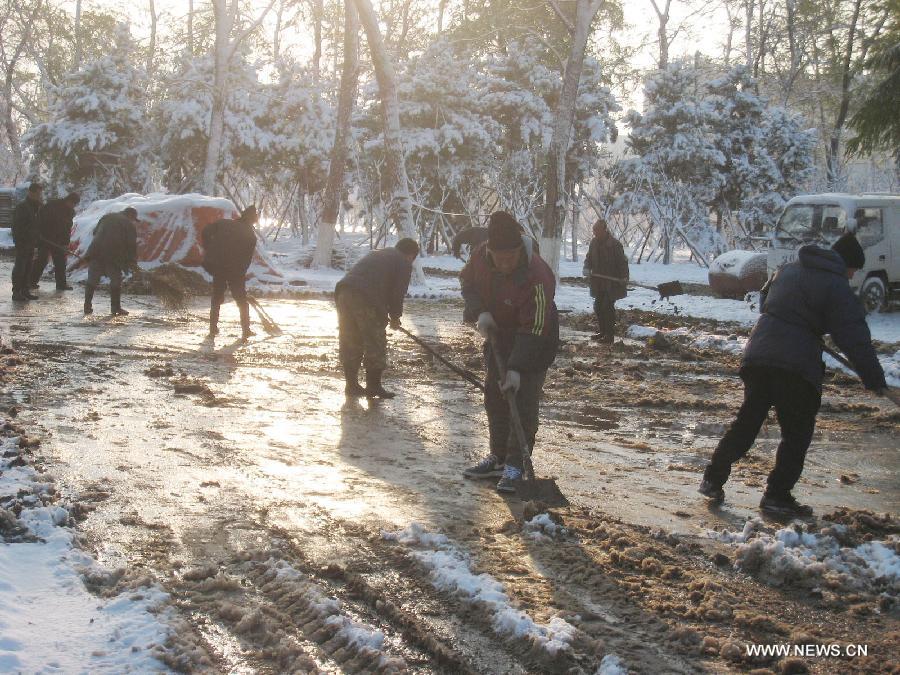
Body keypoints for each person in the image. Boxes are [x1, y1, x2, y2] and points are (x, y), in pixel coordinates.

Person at [698, 233, 889, 517]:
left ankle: (712, 479)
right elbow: (854, 337)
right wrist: (874, 379)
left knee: (747, 422)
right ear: (847, 264)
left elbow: (765, 301)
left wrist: (799, 321)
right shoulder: (836, 285)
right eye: (855, 270)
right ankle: (777, 495)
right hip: (795, 366)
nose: (853, 275)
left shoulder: (787, 270)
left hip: (759, 354)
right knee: (797, 433)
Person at [460, 211, 559, 493]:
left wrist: (517, 367)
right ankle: (499, 458)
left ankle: (516, 464)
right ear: (489, 249)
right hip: (498, 334)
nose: (504, 264)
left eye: (510, 258)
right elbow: (467, 283)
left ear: (520, 250)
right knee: (494, 394)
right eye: (498, 257)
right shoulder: (480, 256)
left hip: (535, 341)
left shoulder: (537, 275)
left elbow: (536, 327)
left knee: (522, 401)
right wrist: (481, 312)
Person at [335, 238, 419, 399]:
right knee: (375, 341)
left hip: (344, 292)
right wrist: (395, 317)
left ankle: (351, 385)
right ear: (411, 255)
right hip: (365, 298)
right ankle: (374, 387)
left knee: (350, 339)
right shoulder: (402, 262)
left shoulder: (380, 254)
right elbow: (397, 293)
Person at [201, 205, 259, 340]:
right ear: (252, 221)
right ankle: (246, 330)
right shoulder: (250, 236)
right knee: (241, 300)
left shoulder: (223, 223)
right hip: (235, 271)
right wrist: (240, 274)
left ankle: (213, 328)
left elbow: (205, 232)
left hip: (218, 266)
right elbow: (246, 259)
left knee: (216, 296)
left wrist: (209, 248)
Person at [84, 207, 139, 316]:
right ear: (131, 216)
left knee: (92, 279)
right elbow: (131, 245)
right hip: (113, 255)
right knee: (116, 280)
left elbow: (95, 233)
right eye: (133, 219)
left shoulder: (106, 217)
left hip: (95, 252)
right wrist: (132, 260)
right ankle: (115, 308)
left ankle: (87, 305)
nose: (133, 221)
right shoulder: (129, 224)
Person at [582, 218, 628, 343]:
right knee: (598, 307)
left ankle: (609, 335)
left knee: (607, 307)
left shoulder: (615, 245)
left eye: (597, 231)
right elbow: (589, 258)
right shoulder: (594, 243)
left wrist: (624, 277)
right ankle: (603, 332)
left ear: (604, 230)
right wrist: (586, 267)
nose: (595, 233)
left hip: (612, 283)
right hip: (599, 282)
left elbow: (623, 263)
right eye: (594, 231)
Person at [31, 191, 80, 291]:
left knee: (61, 262)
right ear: (68, 200)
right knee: (42, 260)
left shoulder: (70, 212)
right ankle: (31, 282)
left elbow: (67, 229)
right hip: (45, 238)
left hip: (59, 241)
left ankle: (61, 284)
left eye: (75, 205)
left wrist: (66, 243)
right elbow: (39, 219)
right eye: (72, 203)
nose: (73, 206)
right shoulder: (52, 205)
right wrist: (39, 234)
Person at [11, 182, 43, 302]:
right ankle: (16, 292)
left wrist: (37, 237)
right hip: (22, 242)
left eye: (40, 194)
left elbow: (35, 225)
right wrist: (20, 241)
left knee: (28, 267)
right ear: (31, 192)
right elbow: (17, 226)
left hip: (31, 242)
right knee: (20, 268)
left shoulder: (36, 207)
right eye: (37, 194)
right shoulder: (22, 207)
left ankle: (25, 290)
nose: (39, 196)